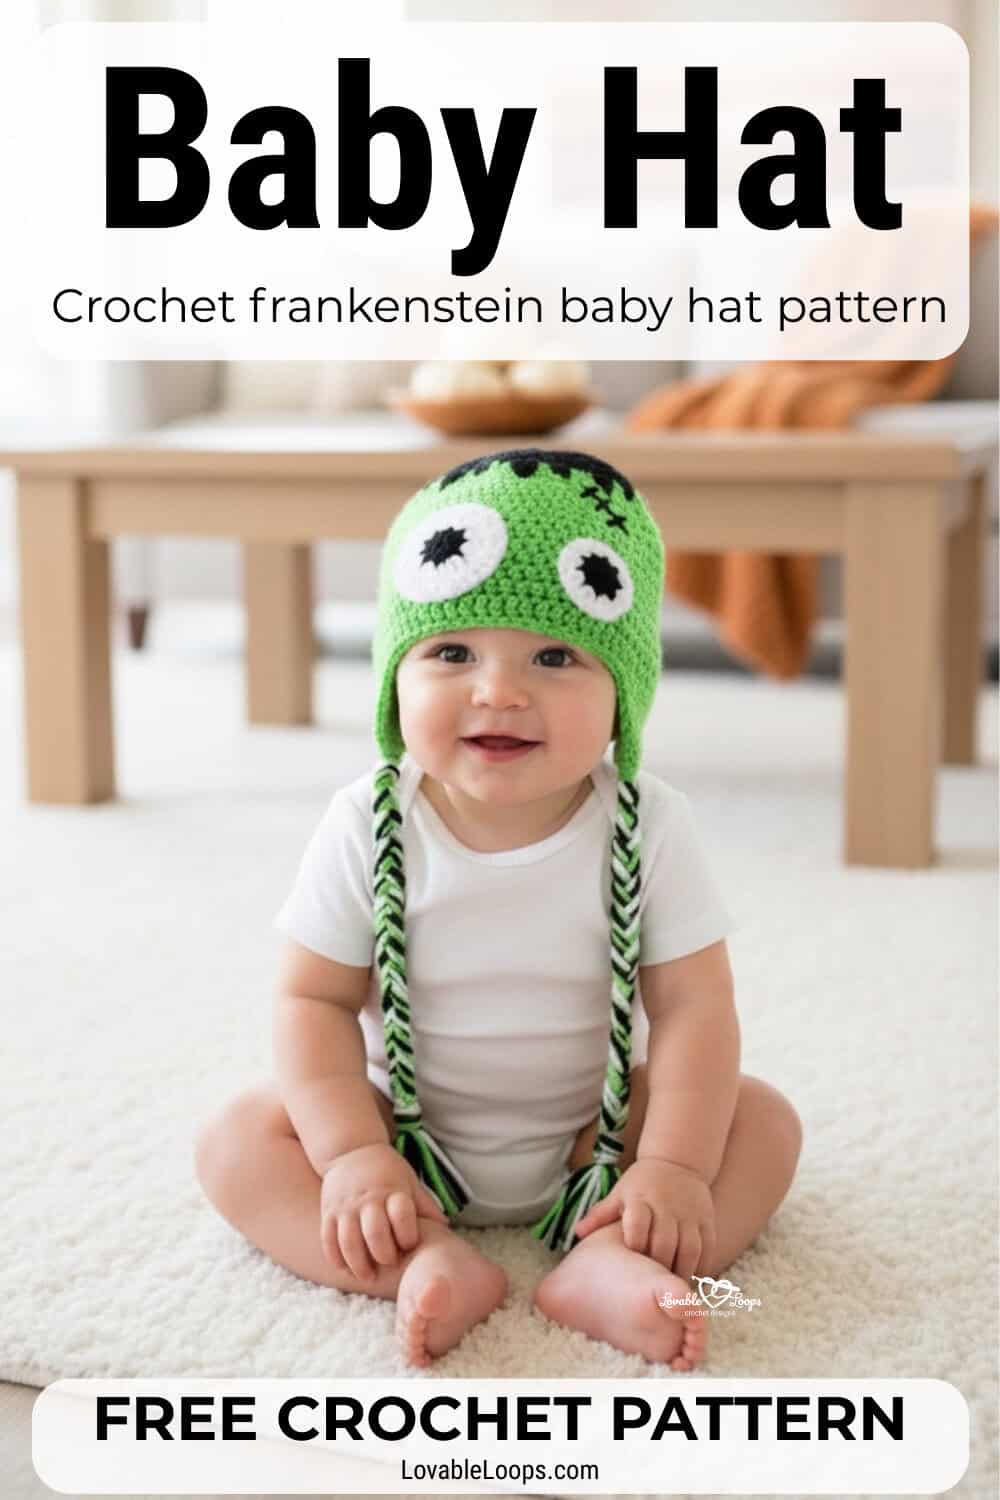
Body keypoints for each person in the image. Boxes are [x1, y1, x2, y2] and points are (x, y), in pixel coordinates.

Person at [195, 447, 802, 1371]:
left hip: (588, 1144)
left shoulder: (648, 827)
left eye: (556, 655)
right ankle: (420, 1260)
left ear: (623, 694)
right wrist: (355, 1153)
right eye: (452, 652)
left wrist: (671, 1167)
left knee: (760, 1126)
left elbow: (693, 1009)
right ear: (397, 677)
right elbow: (311, 1001)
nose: (500, 691)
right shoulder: (369, 821)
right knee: (236, 1143)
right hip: (408, 1133)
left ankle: (610, 1259)